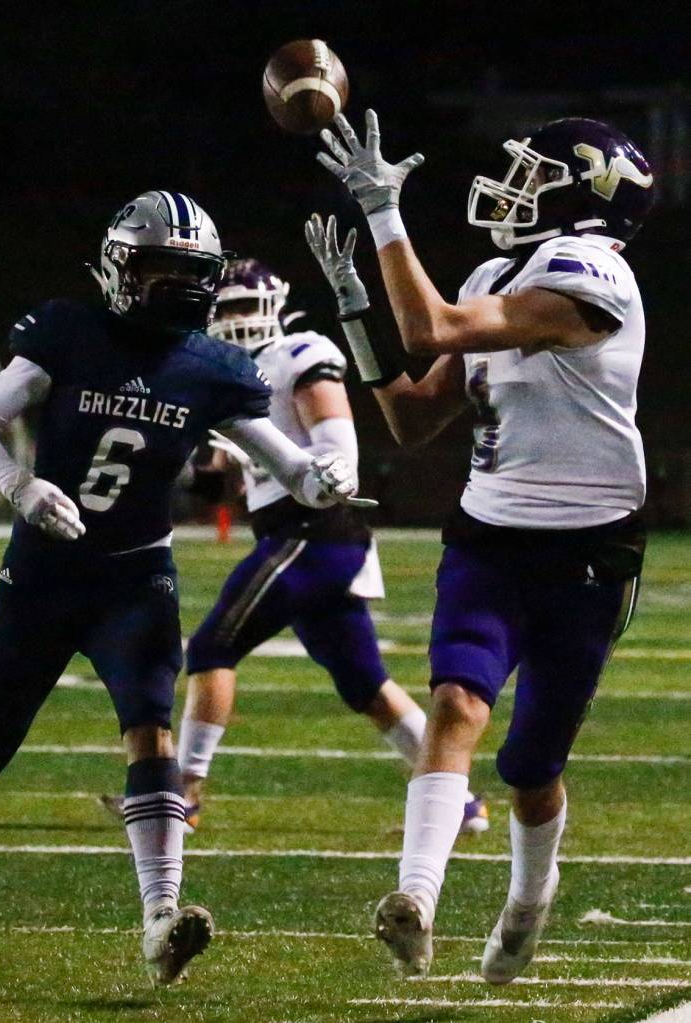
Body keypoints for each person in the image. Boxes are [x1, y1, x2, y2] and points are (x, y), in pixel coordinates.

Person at [0, 191, 364, 985]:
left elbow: (286, 463)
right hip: (44, 576)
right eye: (161, 269)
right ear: (121, 265)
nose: (179, 289)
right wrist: (19, 486)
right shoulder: (69, 332)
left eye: (192, 274)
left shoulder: (212, 363)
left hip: (136, 575)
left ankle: (162, 916)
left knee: (151, 731)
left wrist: (321, 477)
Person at [309, 112, 653, 981]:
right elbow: (415, 417)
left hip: (586, 551)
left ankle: (530, 897)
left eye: (538, 174)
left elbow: (431, 329)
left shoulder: (592, 274)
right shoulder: (501, 271)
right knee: (458, 703)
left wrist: (383, 214)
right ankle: (414, 899)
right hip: (490, 534)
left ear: (586, 199)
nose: (515, 187)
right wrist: (355, 311)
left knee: (530, 764)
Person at [99, 257, 490, 834]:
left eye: (242, 306)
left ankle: (183, 795)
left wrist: (312, 469)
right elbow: (218, 482)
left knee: (210, 649)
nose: (234, 320)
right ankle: (461, 804)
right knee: (365, 684)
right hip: (307, 537)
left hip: (312, 530)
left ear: (273, 306)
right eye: (224, 309)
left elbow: (335, 445)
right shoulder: (230, 373)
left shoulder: (298, 353)